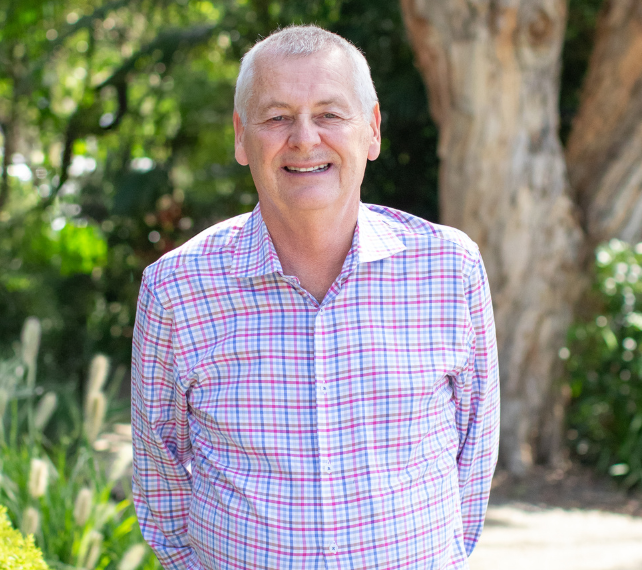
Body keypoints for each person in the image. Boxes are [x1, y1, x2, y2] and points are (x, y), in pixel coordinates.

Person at [131, 25, 499, 570]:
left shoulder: (449, 269)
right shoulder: (176, 290)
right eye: (277, 117)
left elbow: (475, 449)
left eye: (329, 113)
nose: (304, 138)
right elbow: (159, 474)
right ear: (241, 137)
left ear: (371, 130)